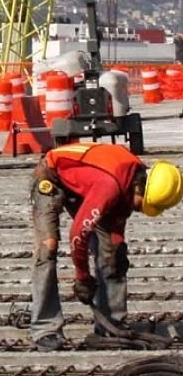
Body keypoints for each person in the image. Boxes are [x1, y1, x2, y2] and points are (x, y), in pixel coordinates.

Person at [29, 143, 181, 351]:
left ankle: (112, 323)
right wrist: (82, 276)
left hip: (88, 184)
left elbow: (115, 231)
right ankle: (45, 329)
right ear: (139, 187)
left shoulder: (131, 182)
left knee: (114, 253)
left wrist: (117, 256)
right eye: (140, 205)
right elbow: (78, 234)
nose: (139, 210)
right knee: (48, 248)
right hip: (53, 176)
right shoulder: (110, 186)